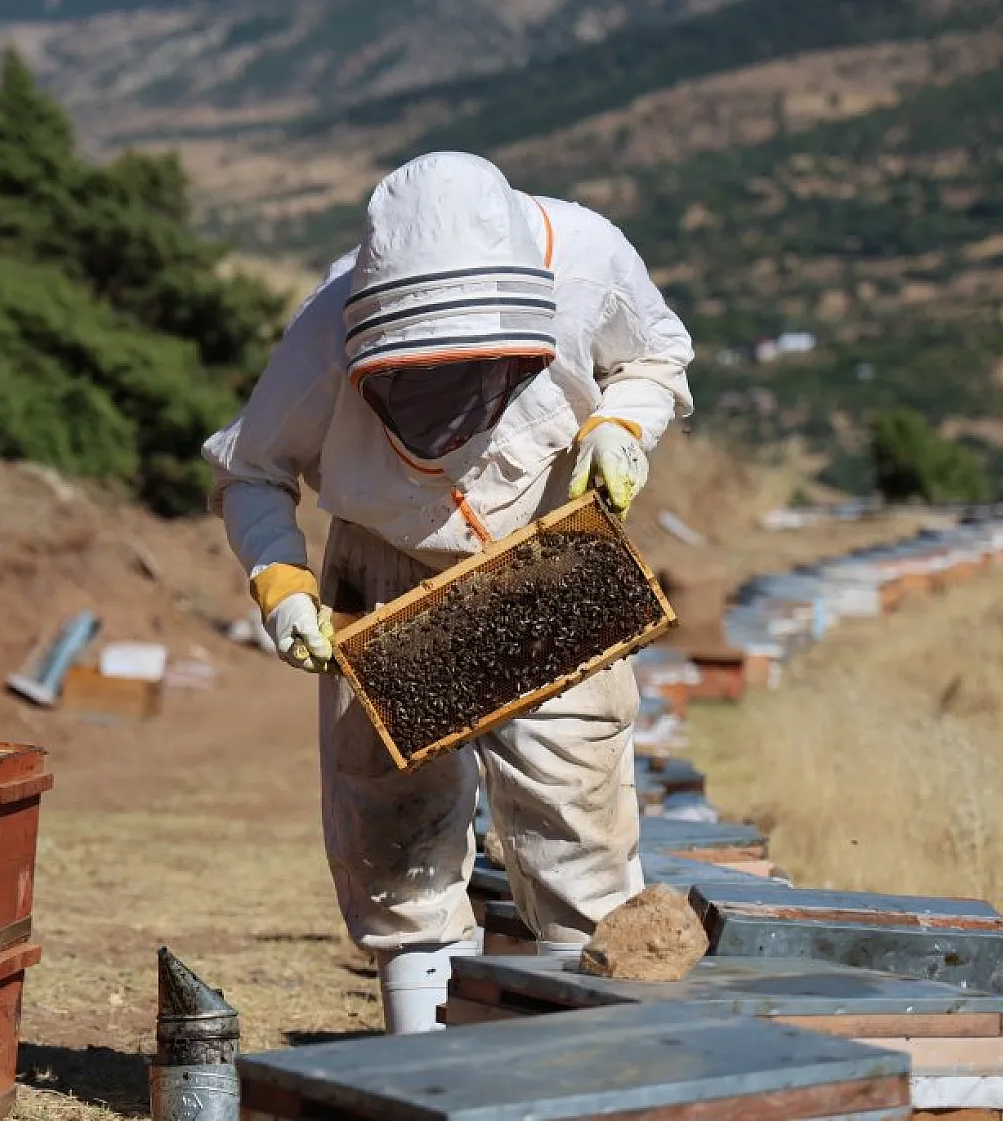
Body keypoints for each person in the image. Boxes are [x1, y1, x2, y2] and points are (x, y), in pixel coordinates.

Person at [202, 151, 695, 1035]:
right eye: (419, 381)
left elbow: (657, 354)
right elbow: (252, 469)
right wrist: (280, 578)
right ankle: (424, 1060)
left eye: (469, 376)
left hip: (545, 560)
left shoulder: (587, 259)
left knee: (575, 823)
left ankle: (586, 1068)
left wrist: (623, 425)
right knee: (397, 840)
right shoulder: (324, 331)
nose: (449, 408)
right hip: (388, 563)